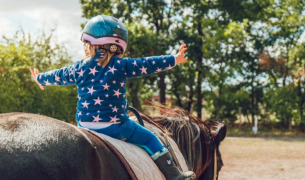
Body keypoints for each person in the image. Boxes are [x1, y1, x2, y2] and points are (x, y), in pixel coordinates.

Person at [30, 15, 195, 180]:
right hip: (115, 126)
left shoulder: (78, 68)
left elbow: (59, 75)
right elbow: (147, 64)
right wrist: (174, 59)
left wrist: (40, 79)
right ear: (118, 47)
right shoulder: (121, 65)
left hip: (84, 125)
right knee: (150, 138)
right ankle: (175, 176)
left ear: (89, 44)